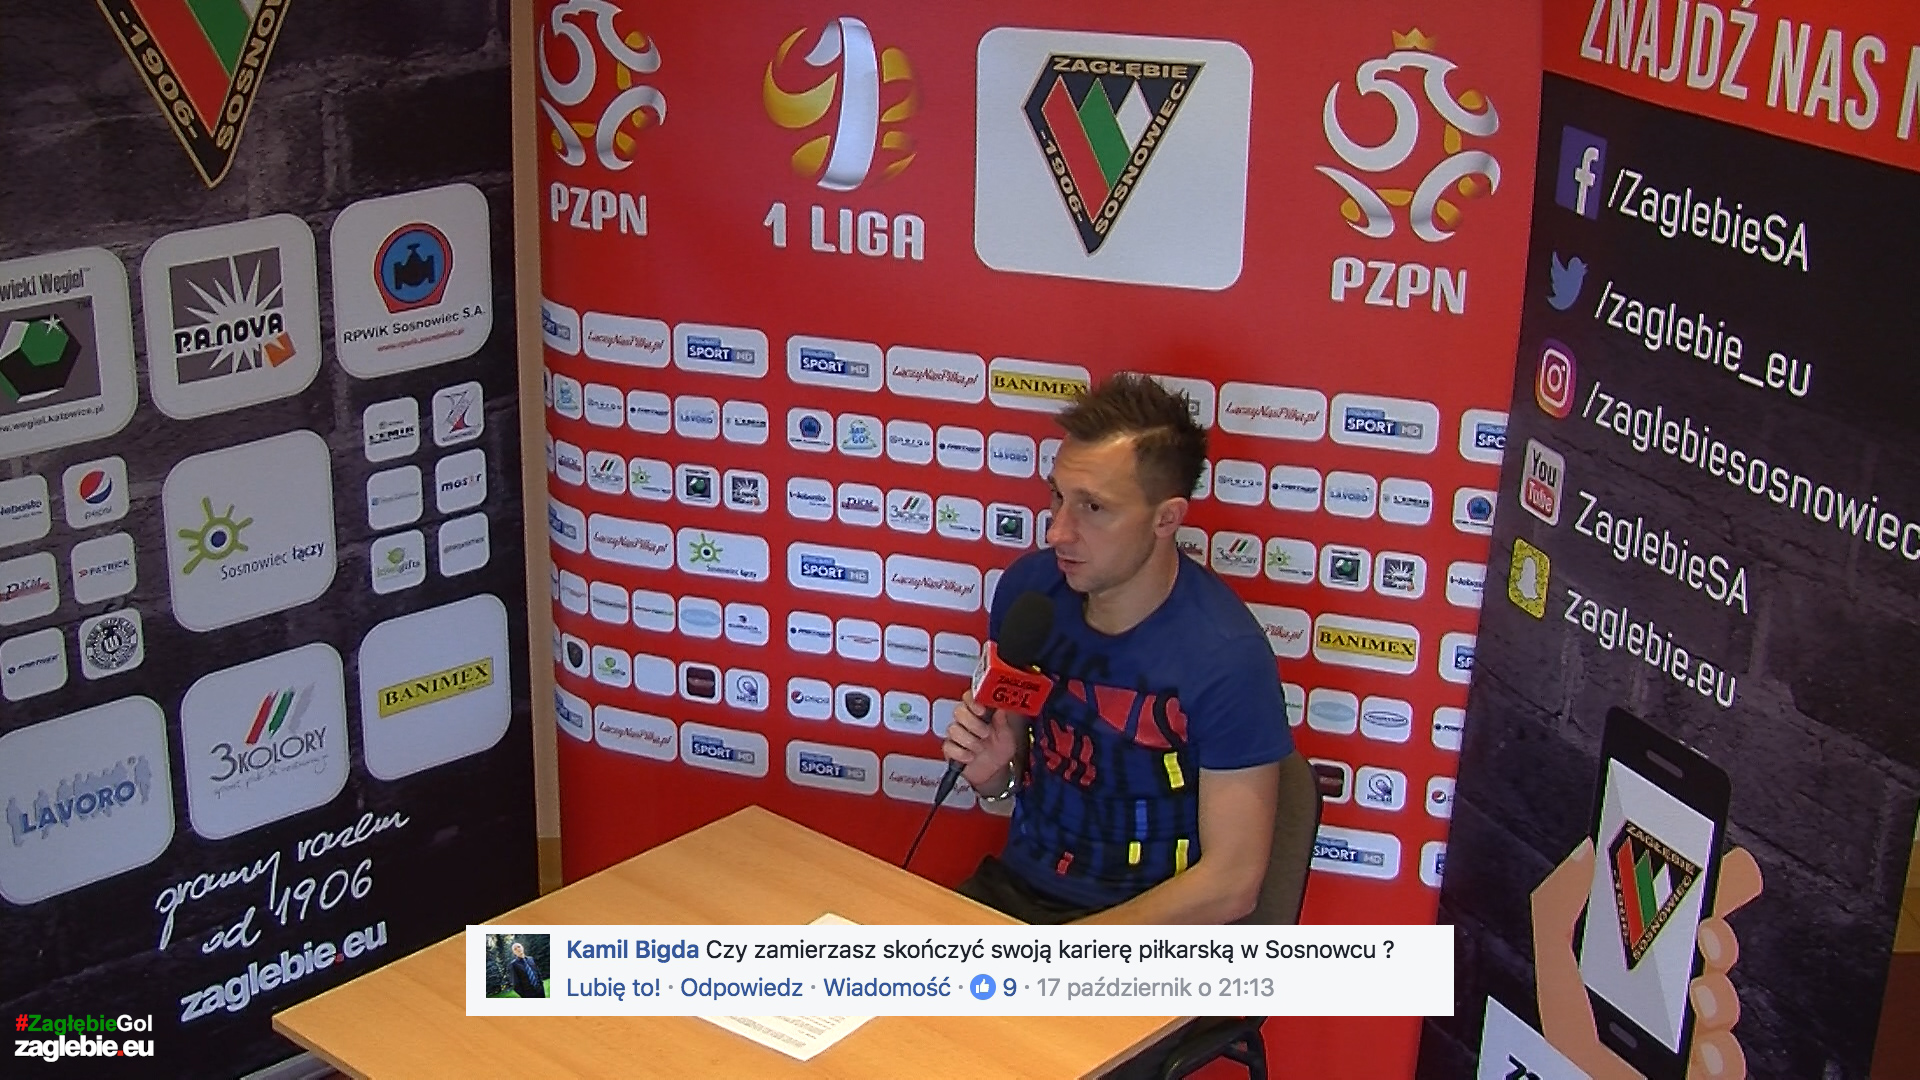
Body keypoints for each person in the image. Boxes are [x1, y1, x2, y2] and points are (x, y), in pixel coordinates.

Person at [942, 373, 1292, 926]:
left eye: (1094, 508)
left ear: (1166, 518)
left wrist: (1070, 955)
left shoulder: (1227, 658)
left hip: (1155, 934)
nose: (1058, 532)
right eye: (1058, 496)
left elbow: (1232, 884)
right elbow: (1009, 775)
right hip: (1018, 894)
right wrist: (995, 775)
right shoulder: (1029, 593)